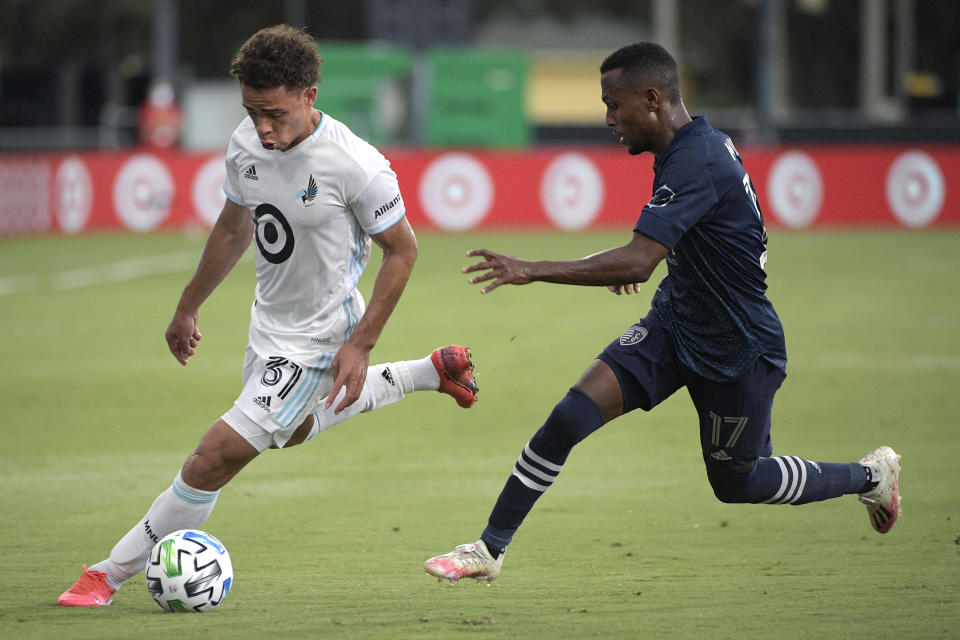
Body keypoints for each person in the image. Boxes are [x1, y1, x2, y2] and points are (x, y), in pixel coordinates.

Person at [423, 42, 901, 585]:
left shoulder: (697, 158)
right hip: (675, 325)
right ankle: (489, 548)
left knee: (737, 481)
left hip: (737, 346)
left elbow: (639, 258)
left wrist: (531, 269)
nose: (607, 119)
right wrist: (659, 255)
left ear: (652, 99)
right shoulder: (691, 146)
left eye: (613, 104)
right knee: (568, 418)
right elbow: (671, 243)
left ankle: (870, 476)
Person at [57, 24, 478, 607]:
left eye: (274, 113)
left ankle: (106, 574)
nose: (262, 127)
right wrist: (188, 305)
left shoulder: (356, 164)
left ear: (309, 95)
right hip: (269, 327)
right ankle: (432, 371)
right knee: (293, 429)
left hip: (319, 338)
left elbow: (403, 251)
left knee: (214, 457)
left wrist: (360, 343)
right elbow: (234, 226)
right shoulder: (246, 142)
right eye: (252, 111)